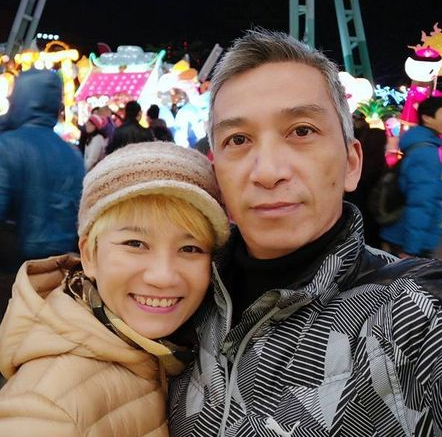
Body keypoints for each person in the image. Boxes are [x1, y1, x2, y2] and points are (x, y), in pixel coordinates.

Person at [168, 29, 442, 436]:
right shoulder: (181, 300)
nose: (268, 172)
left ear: (351, 163)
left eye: (301, 131)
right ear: (216, 173)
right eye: (238, 139)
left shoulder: (415, 315)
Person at [0, 142, 229, 436]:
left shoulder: (173, 349)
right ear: (89, 255)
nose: (162, 277)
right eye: (135, 244)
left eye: (190, 248)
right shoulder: (46, 411)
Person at [0, 69, 84, 319]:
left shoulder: (7, 146)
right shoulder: (72, 154)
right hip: (59, 270)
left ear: (23, 99)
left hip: (13, 269)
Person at [380, 96, 442, 258]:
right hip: (409, 241)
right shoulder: (426, 153)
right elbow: (421, 202)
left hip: (401, 233)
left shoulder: (419, 146)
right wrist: (411, 249)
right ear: (427, 118)